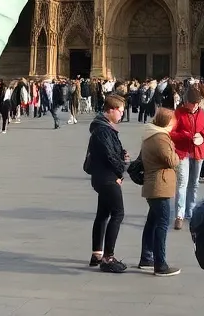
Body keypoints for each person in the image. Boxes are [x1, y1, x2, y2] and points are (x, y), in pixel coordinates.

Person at [87, 93, 129, 273]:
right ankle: (108, 257)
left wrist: (122, 154)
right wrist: (120, 171)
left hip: (102, 176)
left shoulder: (104, 127)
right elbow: (109, 155)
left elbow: (113, 151)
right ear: (110, 110)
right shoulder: (103, 130)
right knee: (118, 213)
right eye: (120, 111)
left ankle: (97, 253)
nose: (122, 114)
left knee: (103, 214)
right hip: (107, 178)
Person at [139, 107, 180, 276]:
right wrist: (176, 153)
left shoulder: (152, 134)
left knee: (153, 222)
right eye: (173, 119)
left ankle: (146, 257)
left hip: (154, 184)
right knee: (162, 223)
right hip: (159, 185)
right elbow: (171, 160)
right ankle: (160, 264)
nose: (175, 122)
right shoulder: (160, 138)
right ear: (167, 121)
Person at [170, 86, 204, 230]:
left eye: (197, 103)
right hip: (183, 151)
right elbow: (171, 132)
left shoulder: (201, 113)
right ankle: (179, 215)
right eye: (193, 103)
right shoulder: (178, 114)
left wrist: (203, 135)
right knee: (182, 183)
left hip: (198, 150)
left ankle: (191, 211)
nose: (195, 105)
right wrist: (186, 135)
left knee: (194, 183)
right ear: (186, 102)